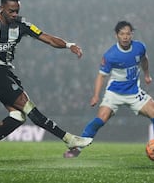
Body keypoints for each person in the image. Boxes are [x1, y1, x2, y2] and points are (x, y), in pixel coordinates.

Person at [0, 0, 93, 167]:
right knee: (28, 106)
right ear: (1, 8)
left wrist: (68, 44)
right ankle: (69, 138)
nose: (14, 14)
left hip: (7, 72)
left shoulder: (22, 25)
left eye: (16, 10)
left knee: (18, 116)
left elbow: (47, 38)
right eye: (11, 11)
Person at [63, 21, 154, 158]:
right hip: (114, 94)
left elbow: (144, 60)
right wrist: (96, 95)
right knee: (100, 119)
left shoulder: (139, 47)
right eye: (122, 34)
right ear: (116, 35)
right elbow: (101, 76)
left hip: (134, 92)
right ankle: (77, 149)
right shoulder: (110, 55)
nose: (125, 37)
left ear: (132, 35)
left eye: (128, 34)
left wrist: (147, 75)